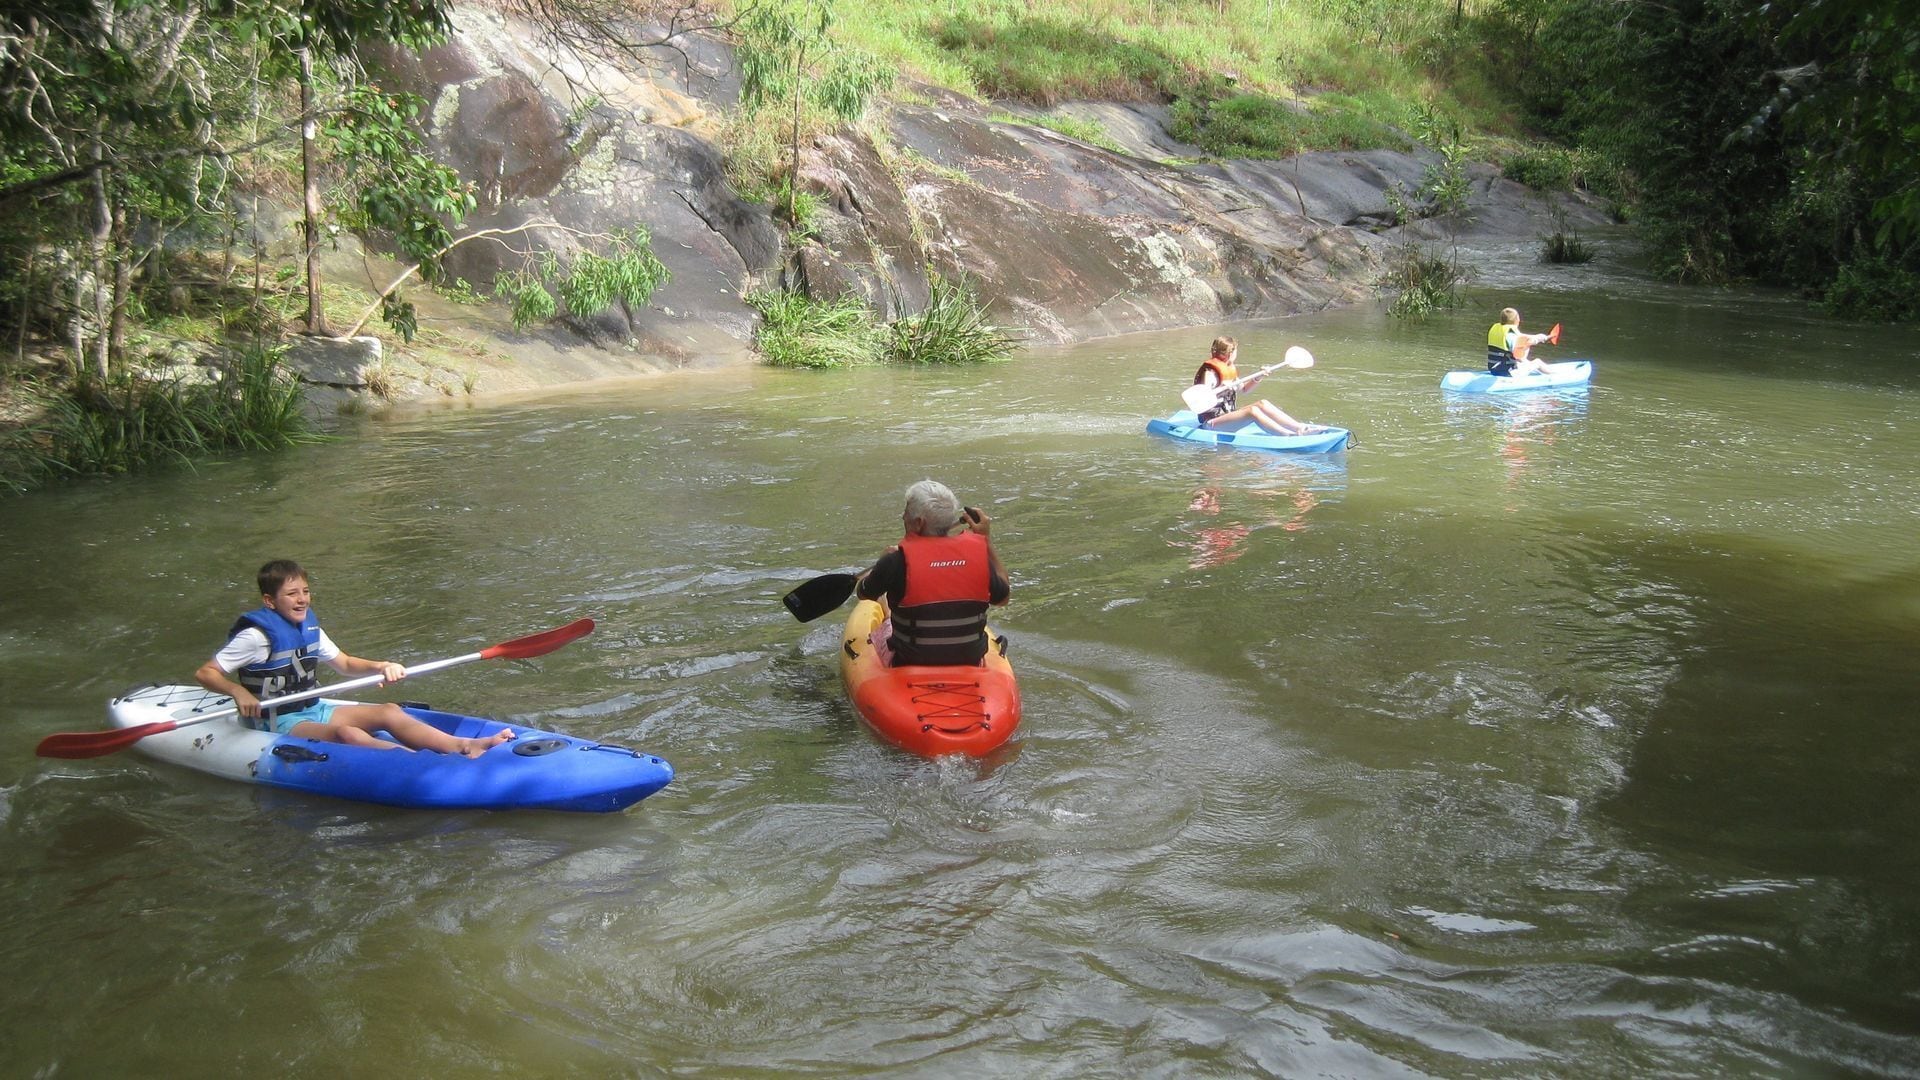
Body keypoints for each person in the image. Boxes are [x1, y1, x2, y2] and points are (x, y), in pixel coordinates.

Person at [194, 559, 516, 756]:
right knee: (346, 735)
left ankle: (463, 746)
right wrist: (237, 691)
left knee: (389, 711)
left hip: (313, 708)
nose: (302, 599)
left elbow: (345, 664)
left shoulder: (309, 628)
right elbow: (206, 673)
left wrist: (381, 666)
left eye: (305, 591)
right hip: (275, 721)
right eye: (292, 594)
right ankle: (422, 762)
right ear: (269, 600)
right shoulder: (255, 637)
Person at [855, 480, 1010, 667]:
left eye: (906, 511)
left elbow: (863, 593)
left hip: (909, 661)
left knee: (883, 610)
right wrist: (986, 541)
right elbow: (1003, 598)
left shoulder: (894, 561)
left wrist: (882, 563)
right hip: (969, 660)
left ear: (919, 523)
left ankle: (888, 616)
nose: (903, 516)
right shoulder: (977, 556)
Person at [1193, 336, 1329, 436]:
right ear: (1230, 353)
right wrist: (1218, 389)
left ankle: (1299, 428)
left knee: (1262, 403)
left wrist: (1258, 377)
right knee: (1252, 411)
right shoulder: (1209, 373)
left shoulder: (1228, 370)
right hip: (1211, 423)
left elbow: (1244, 389)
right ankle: (1286, 436)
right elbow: (1200, 401)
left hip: (1227, 416)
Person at [1485, 307, 1554, 376]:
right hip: (1509, 373)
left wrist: (1542, 337)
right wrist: (1537, 339)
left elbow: (1523, 337)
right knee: (1537, 362)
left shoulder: (1496, 330)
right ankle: (1555, 376)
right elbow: (1520, 356)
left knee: (1523, 361)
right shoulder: (1512, 336)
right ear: (1517, 320)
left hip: (1493, 370)